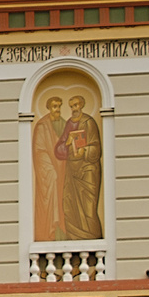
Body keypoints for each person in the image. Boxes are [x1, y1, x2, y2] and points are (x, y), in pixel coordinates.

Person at [59, 93, 102, 239]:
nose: (74, 109)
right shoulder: (69, 123)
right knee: (70, 206)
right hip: (72, 170)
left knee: (88, 209)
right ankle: (74, 240)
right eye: (71, 106)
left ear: (82, 105)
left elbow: (96, 148)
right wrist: (68, 142)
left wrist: (85, 150)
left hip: (87, 171)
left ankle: (92, 238)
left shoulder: (89, 122)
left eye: (76, 105)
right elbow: (59, 149)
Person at [30, 94, 67, 241]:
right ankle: (50, 231)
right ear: (49, 108)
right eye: (54, 106)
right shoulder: (42, 125)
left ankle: (63, 232)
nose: (57, 109)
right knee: (51, 193)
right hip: (48, 170)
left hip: (61, 168)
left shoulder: (63, 123)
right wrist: (50, 168)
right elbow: (39, 151)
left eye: (59, 106)